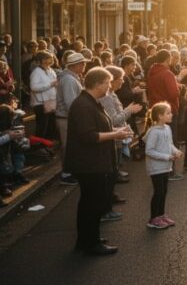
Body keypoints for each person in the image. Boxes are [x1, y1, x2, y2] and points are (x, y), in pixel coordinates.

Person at [65, 68, 132, 256]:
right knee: (91, 204)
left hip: (94, 163)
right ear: (98, 83)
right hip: (88, 164)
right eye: (108, 83)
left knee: (91, 203)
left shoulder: (91, 102)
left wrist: (115, 134)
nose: (110, 86)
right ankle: (90, 243)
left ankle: (88, 239)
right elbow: (88, 136)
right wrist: (115, 134)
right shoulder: (82, 105)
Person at [146, 50, 183, 181]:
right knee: (170, 140)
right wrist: (179, 89)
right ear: (167, 59)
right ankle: (170, 171)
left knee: (159, 141)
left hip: (156, 109)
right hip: (168, 110)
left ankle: (161, 171)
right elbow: (174, 93)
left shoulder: (152, 72)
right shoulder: (167, 73)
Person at [144, 102, 181, 229]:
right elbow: (149, 151)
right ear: (160, 116)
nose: (171, 115)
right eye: (168, 113)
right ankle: (153, 219)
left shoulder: (167, 128)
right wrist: (167, 157)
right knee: (158, 192)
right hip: (156, 168)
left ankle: (161, 215)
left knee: (164, 191)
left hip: (165, 166)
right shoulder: (153, 132)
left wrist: (175, 151)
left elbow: (169, 144)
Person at [56, 52, 89, 186]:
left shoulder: (72, 77)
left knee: (71, 145)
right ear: (75, 65)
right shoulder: (69, 79)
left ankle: (70, 171)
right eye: (83, 63)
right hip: (65, 117)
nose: (84, 65)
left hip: (68, 117)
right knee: (67, 146)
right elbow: (71, 103)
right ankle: (66, 174)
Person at [29, 51, 58, 141]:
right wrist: (50, 84)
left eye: (50, 59)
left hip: (50, 102)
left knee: (50, 127)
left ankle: (47, 147)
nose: (48, 61)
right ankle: (38, 149)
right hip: (40, 104)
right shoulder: (36, 72)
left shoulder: (51, 70)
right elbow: (34, 87)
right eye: (45, 59)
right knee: (42, 128)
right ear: (40, 60)